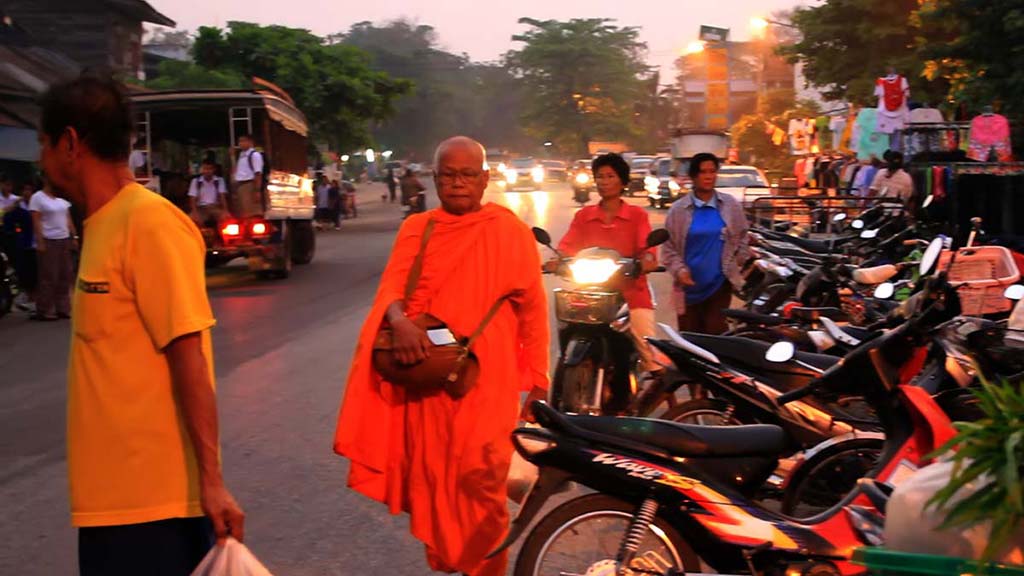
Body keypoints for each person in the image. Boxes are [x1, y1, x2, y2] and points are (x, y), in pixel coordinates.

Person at [38, 75, 244, 575]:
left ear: (69, 143)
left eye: (44, 144)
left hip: (154, 509)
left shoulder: (149, 224)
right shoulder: (102, 223)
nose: (40, 158)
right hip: (112, 505)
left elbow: (189, 357)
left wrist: (211, 483)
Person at [334, 136, 549, 576]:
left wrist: (540, 380)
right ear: (435, 179)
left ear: (485, 179)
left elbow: (533, 311)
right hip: (427, 376)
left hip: (487, 381)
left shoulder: (509, 231)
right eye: (448, 175)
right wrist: (400, 321)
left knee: (482, 482)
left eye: (467, 174)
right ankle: (453, 562)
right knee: (435, 478)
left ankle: (484, 569)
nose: (457, 183)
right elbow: (391, 291)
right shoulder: (418, 228)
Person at [553, 153, 661, 402]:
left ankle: (650, 393)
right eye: (599, 176)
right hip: (590, 293)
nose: (603, 181)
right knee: (567, 327)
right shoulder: (584, 216)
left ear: (622, 181)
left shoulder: (637, 216)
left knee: (648, 350)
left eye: (610, 176)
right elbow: (567, 245)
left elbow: (647, 248)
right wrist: (557, 259)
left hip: (629, 293)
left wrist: (646, 260)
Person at [662, 152, 750, 335]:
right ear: (694, 176)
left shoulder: (729, 205)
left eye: (712, 171)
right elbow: (668, 248)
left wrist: (739, 260)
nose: (709, 176)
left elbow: (743, 235)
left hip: (719, 283)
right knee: (690, 337)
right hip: (688, 286)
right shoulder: (679, 210)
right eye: (703, 172)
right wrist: (680, 271)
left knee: (715, 333)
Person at [29, 180, 77, 321]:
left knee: (65, 274)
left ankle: (63, 308)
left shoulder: (62, 199)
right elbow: (36, 221)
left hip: (63, 239)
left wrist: (73, 236)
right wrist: (40, 241)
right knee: (49, 276)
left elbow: (68, 218)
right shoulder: (38, 198)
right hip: (49, 239)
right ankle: (45, 309)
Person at [2, 181, 37, 312]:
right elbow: (7, 221)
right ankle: (26, 297)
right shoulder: (18, 206)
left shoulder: (37, 205)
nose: (27, 192)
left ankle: (34, 299)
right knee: (24, 271)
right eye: (24, 190)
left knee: (36, 273)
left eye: (29, 190)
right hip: (22, 244)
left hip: (37, 243)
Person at [187, 160, 229, 228]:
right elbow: (192, 199)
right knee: (190, 220)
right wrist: (195, 213)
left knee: (227, 219)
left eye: (209, 169)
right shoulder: (196, 181)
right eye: (205, 169)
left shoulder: (219, 181)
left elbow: (222, 196)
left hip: (215, 207)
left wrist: (226, 210)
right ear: (202, 169)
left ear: (214, 169)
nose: (207, 171)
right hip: (201, 208)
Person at [233, 134, 264, 218]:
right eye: (239, 141)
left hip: (249, 185)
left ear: (250, 142)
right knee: (243, 211)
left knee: (251, 211)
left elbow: (258, 173)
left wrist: (257, 190)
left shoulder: (254, 155)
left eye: (243, 141)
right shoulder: (242, 155)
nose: (240, 143)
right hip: (241, 185)